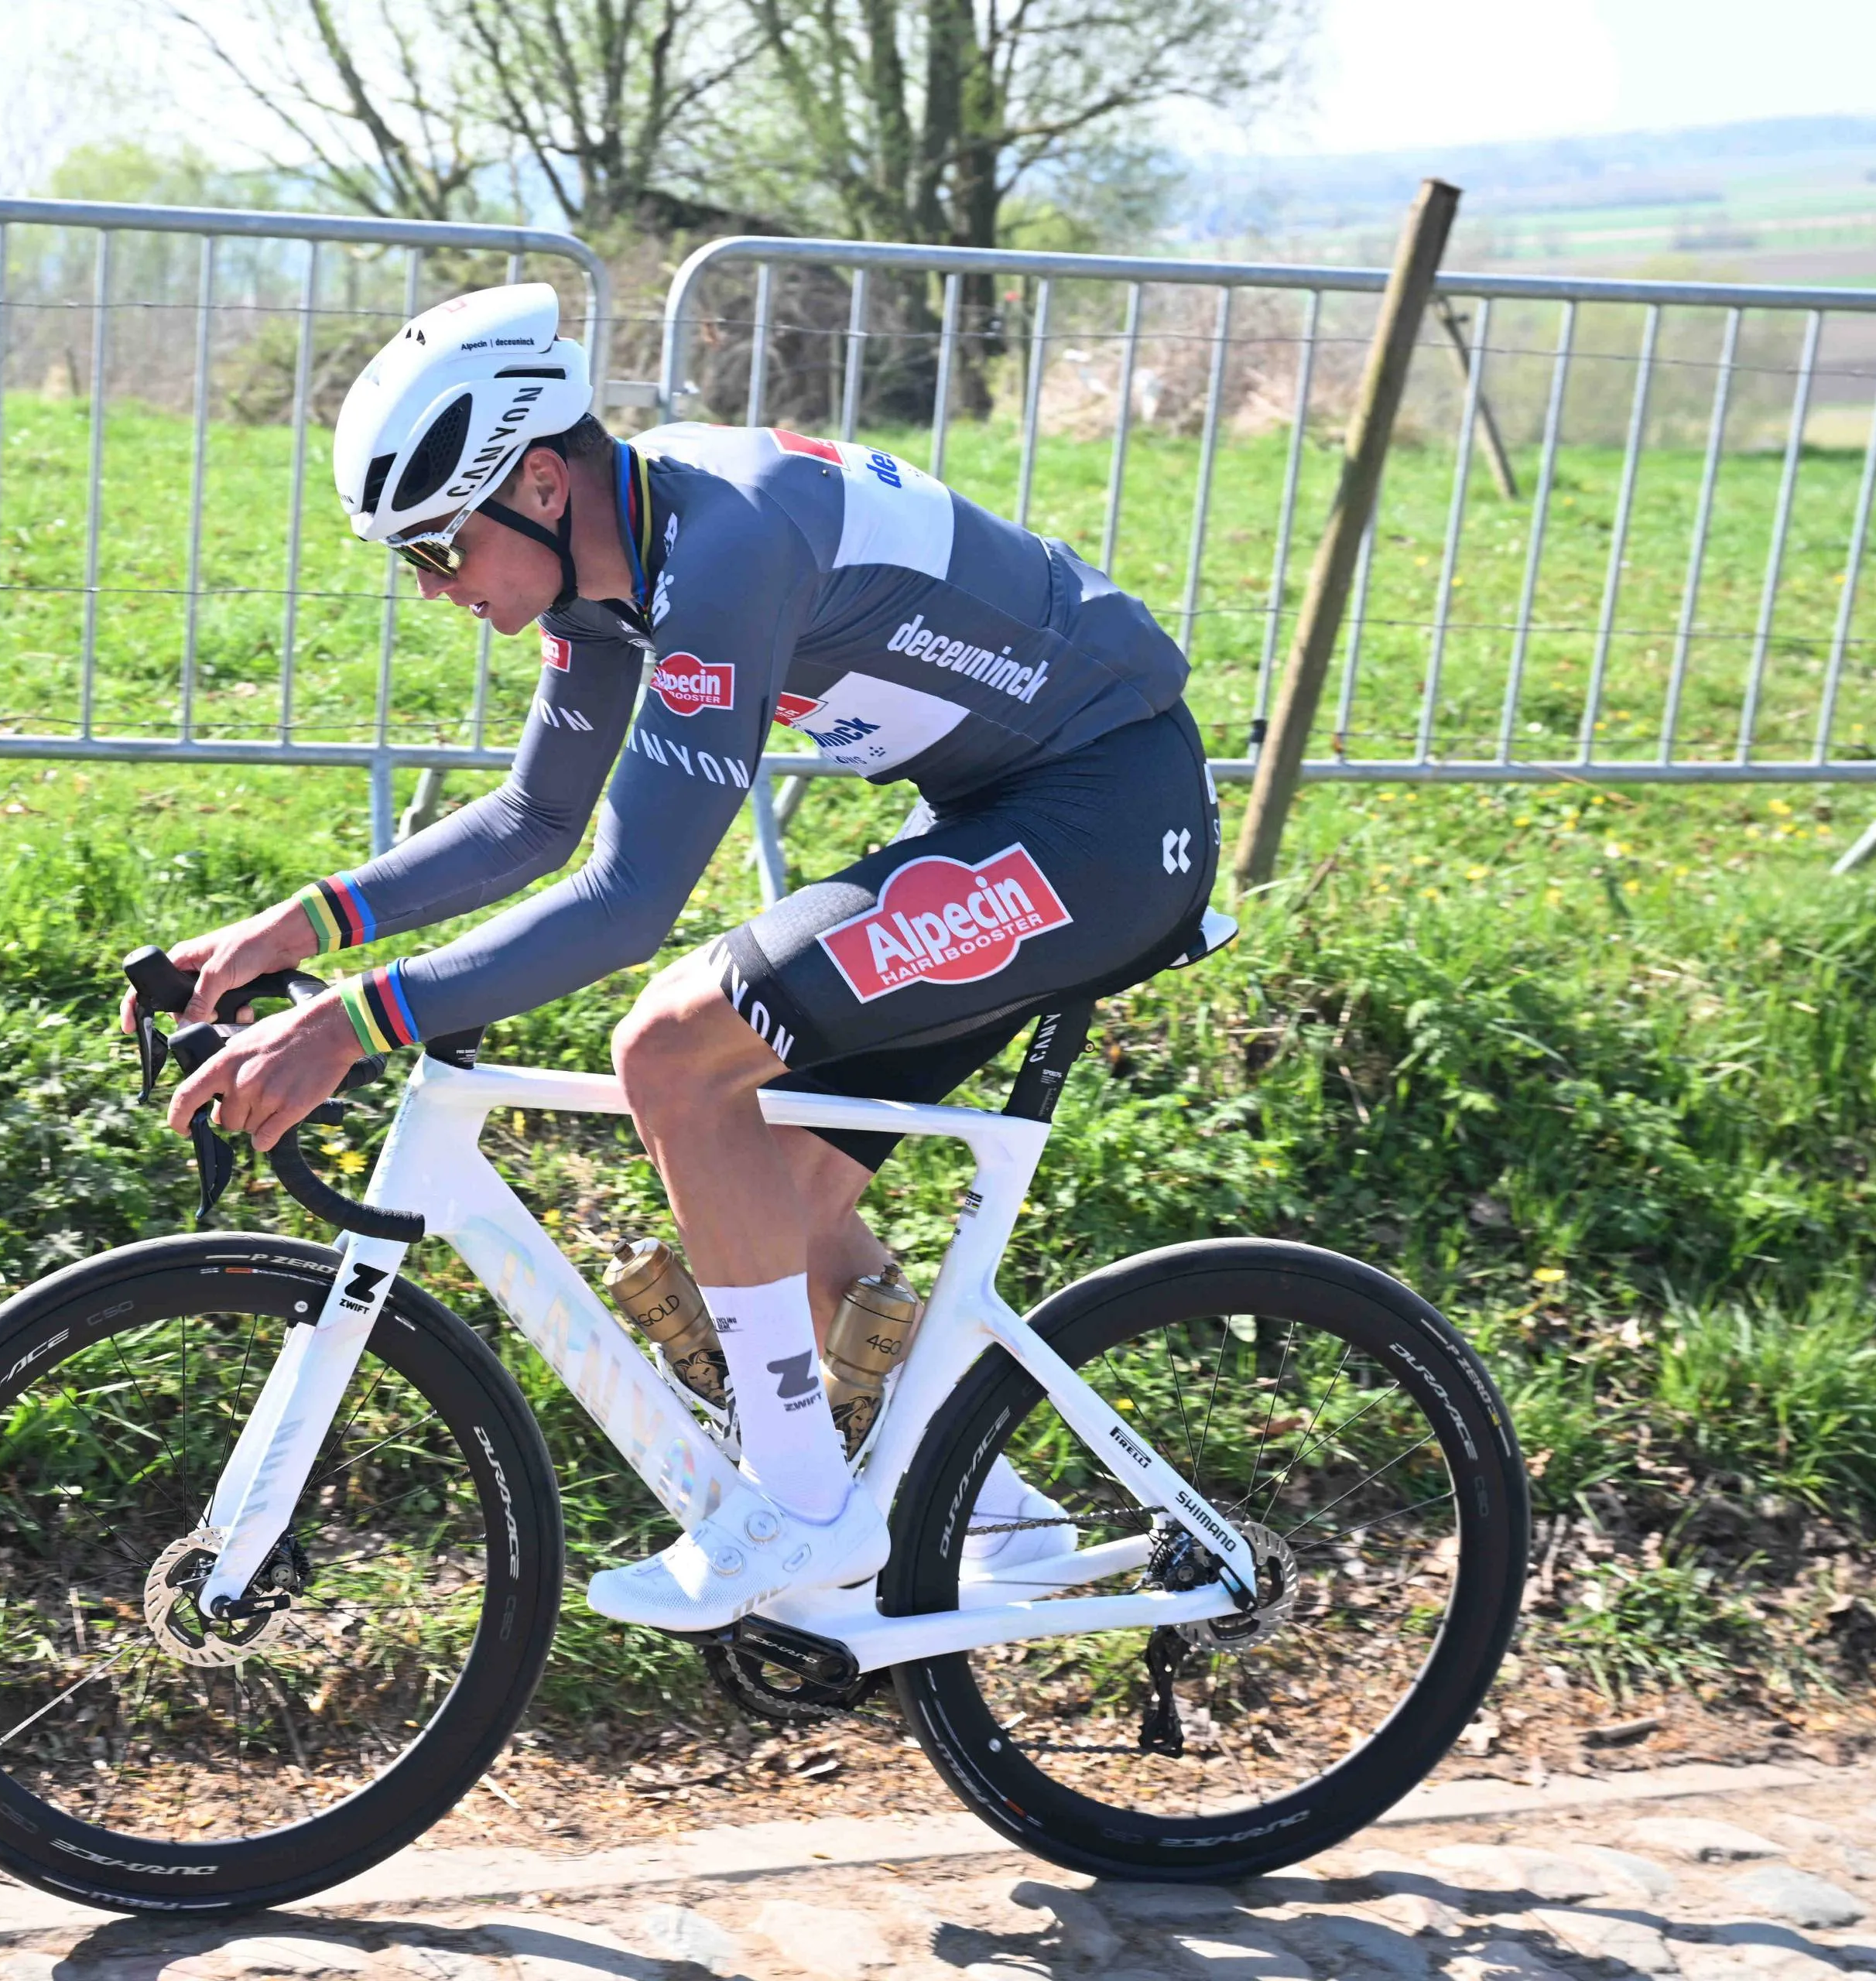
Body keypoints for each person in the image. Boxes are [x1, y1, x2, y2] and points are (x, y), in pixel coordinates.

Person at [145, 282, 1220, 1633]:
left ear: (538, 480)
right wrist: (296, 931)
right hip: (1003, 819)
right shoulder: (613, 576)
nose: (436, 591)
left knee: (673, 1046)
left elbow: (630, 896)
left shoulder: (727, 545)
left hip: (1107, 823)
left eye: (439, 546)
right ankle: (988, 1506)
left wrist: (347, 1025)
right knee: (775, 1186)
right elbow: (535, 821)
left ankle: (803, 1508)